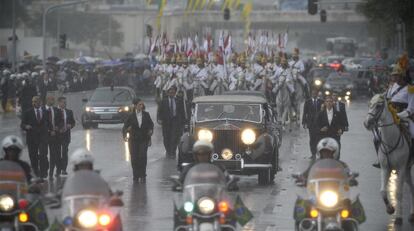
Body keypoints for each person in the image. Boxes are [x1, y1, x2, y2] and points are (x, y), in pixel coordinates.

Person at [122, 98, 154, 183]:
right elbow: (125, 126)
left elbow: (151, 124)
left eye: (142, 104)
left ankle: (143, 174)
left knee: (142, 156)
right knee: (134, 158)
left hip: (144, 139)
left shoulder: (146, 115)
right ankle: (135, 175)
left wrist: (150, 130)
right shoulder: (130, 116)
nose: (141, 106)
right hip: (133, 140)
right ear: (135, 106)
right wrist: (125, 134)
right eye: (139, 104)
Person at [20, 96, 49, 179]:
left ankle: (44, 172)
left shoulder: (46, 112)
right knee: (33, 156)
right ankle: (36, 173)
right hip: (32, 138)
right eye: (33, 101)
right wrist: (26, 126)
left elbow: (49, 123)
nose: (34, 103)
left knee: (43, 155)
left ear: (40, 102)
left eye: (36, 101)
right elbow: (22, 125)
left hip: (43, 138)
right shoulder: (27, 112)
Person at [159, 86, 186, 157]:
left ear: (175, 93)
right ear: (168, 93)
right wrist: (159, 119)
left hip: (175, 121)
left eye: (173, 92)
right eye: (170, 92)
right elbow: (160, 111)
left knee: (175, 137)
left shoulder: (178, 100)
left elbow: (182, 111)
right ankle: (168, 150)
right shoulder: (163, 101)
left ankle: (173, 151)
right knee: (166, 137)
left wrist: (184, 122)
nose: (171, 93)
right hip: (166, 122)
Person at [43, 95, 61, 178]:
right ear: (47, 100)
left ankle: (55, 171)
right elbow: (42, 123)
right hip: (46, 135)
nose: (53, 101)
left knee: (55, 154)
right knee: (45, 155)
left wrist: (58, 127)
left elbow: (60, 120)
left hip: (56, 135)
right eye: (52, 99)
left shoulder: (56, 110)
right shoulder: (43, 110)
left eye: (53, 100)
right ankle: (47, 172)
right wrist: (49, 131)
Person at [302, 89, 323, 159]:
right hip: (311, 124)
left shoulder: (321, 102)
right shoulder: (307, 102)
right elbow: (305, 113)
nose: (314, 95)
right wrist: (304, 122)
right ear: (311, 94)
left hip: (319, 124)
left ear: (317, 94)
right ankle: (313, 153)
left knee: (319, 138)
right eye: (313, 93)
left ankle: (319, 152)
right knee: (312, 139)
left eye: (315, 93)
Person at [57, 96, 75, 175]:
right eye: (63, 102)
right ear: (59, 103)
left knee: (64, 152)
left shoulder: (69, 111)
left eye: (65, 102)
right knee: (57, 153)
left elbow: (73, 122)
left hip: (66, 135)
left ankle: (64, 169)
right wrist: (58, 129)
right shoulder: (55, 111)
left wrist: (70, 125)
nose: (65, 103)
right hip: (57, 135)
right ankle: (58, 168)